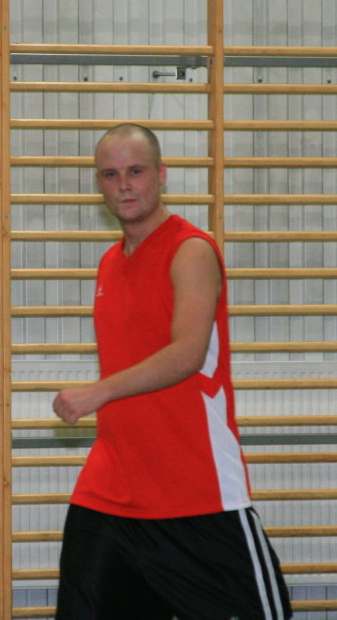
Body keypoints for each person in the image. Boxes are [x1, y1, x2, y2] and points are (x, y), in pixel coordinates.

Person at [52, 124, 292, 620]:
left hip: (194, 491)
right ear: (98, 183)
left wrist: (97, 393)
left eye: (136, 171)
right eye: (110, 174)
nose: (124, 185)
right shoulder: (109, 262)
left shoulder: (191, 250)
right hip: (111, 489)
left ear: (161, 174)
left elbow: (187, 353)